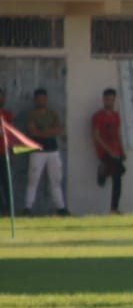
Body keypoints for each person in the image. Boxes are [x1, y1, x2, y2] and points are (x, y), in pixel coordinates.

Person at [23, 88, 68, 216]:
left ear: (46, 99)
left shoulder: (52, 113)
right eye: (39, 99)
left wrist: (42, 132)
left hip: (53, 150)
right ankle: (28, 207)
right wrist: (48, 132)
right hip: (37, 150)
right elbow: (32, 131)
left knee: (56, 180)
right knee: (33, 180)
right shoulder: (31, 114)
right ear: (35, 100)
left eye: (43, 98)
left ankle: (61, 208)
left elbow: (58, 130)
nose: (41, 101)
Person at [90, 88, 127, 214]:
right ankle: (103, 171)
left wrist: (122, 150)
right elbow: (96, 136)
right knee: (120, 170)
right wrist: (109, 150)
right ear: (103, 100)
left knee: (118, 176)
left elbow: (118, 133)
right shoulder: (97, 116)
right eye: (107, 99)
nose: (109, 102)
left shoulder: (116, 116)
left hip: (116, 150)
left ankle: (114, 208)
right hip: (104, 152)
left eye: (112, 100)